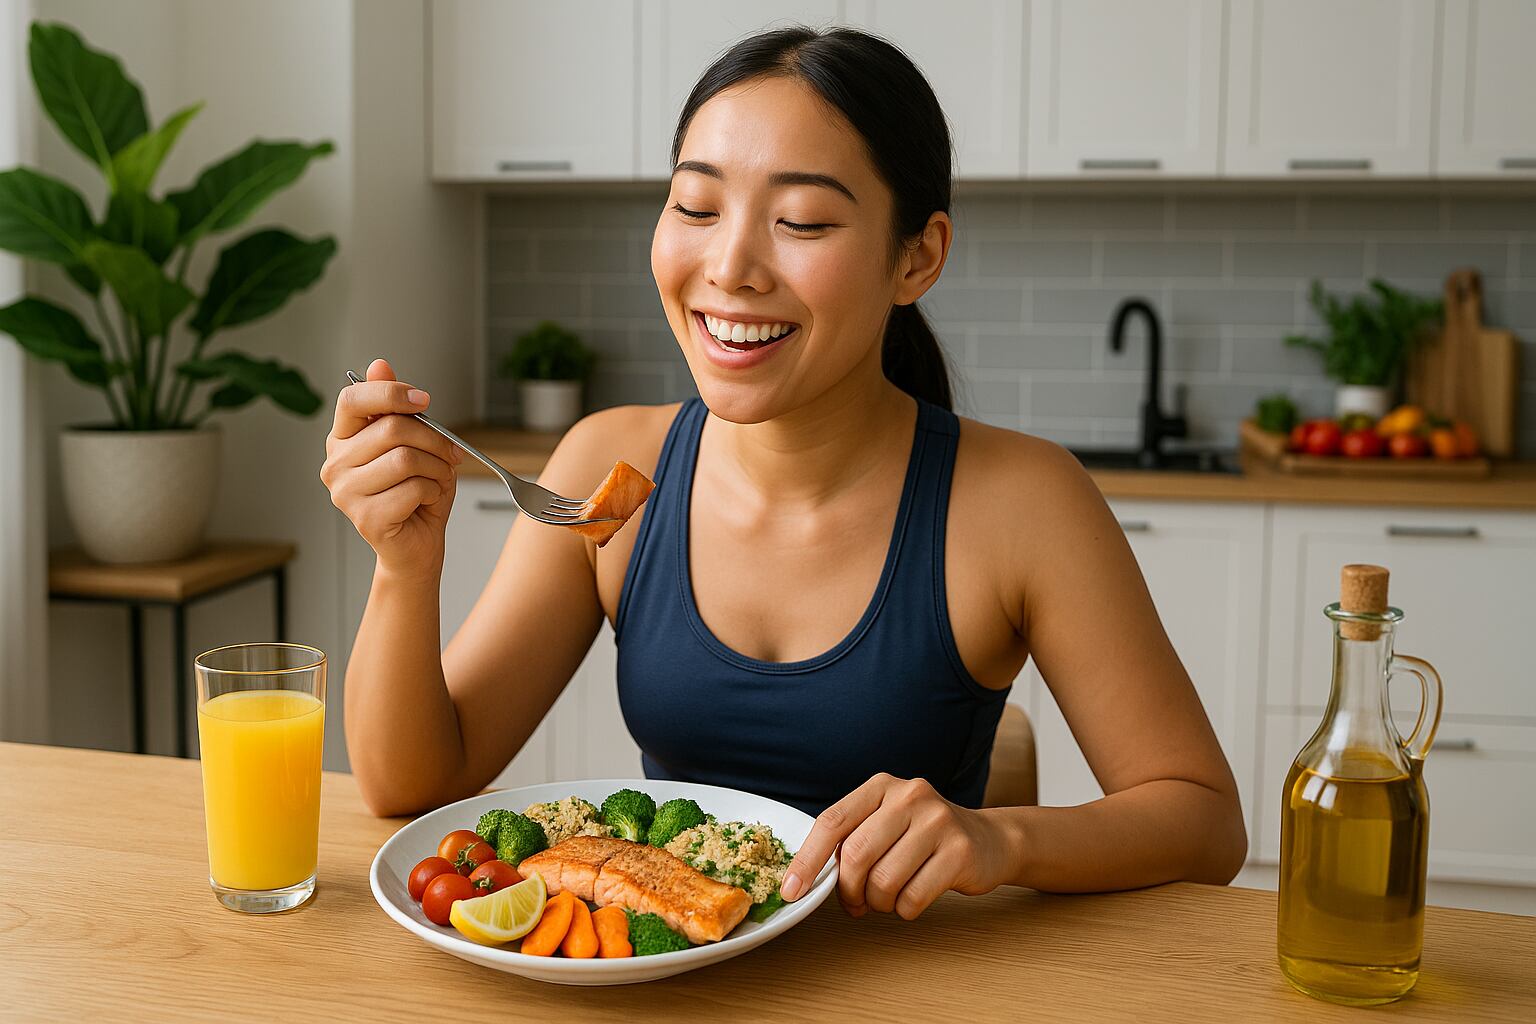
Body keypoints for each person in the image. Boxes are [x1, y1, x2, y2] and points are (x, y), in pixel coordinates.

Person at [321, 26, 1246, 922]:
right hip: (672, 982)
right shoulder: (617, 471)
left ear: (916, 257)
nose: (730, 267)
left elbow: (1204, 822)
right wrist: (406, 564)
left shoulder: (1019, 503)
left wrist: (1000, 841)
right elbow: (412, 784)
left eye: (801, 220)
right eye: (695, 206)